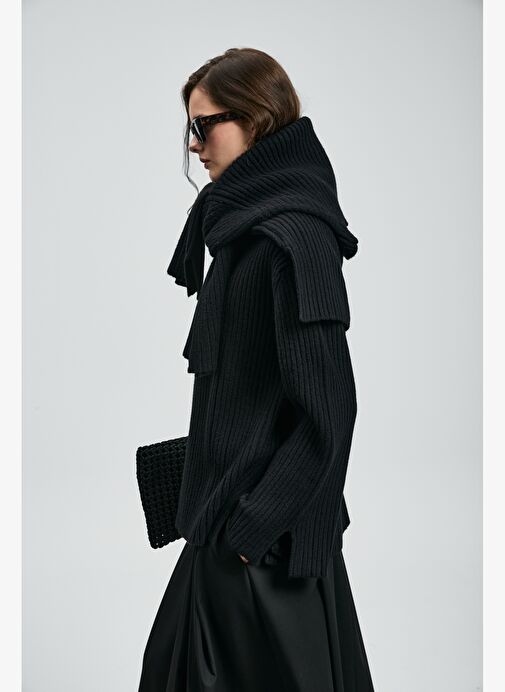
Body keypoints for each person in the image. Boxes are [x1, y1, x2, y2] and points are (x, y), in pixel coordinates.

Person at [138, 47, 375, 692]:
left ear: (255, 120)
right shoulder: (241, 232)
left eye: (203, 125)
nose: (194, 146)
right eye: (189, 128)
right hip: (228, 529)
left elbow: (329, 411)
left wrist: (251, 530)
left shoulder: (295, 239)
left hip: (268, 551)